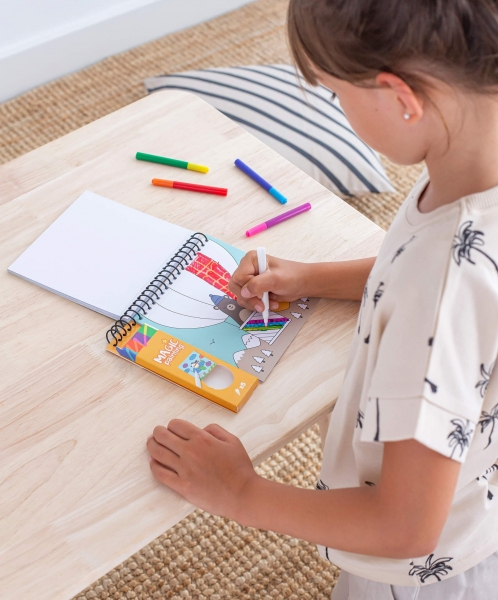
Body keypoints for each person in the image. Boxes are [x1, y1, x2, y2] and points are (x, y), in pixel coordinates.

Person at [147, 1, 498, 597]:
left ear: (400, 98)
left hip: (424, 574)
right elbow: (445, 271)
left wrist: (241, 492)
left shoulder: (443, 284)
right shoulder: (472, 155)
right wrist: (312, 277)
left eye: (335, 94)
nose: (337, 108)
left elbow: (403, 526)